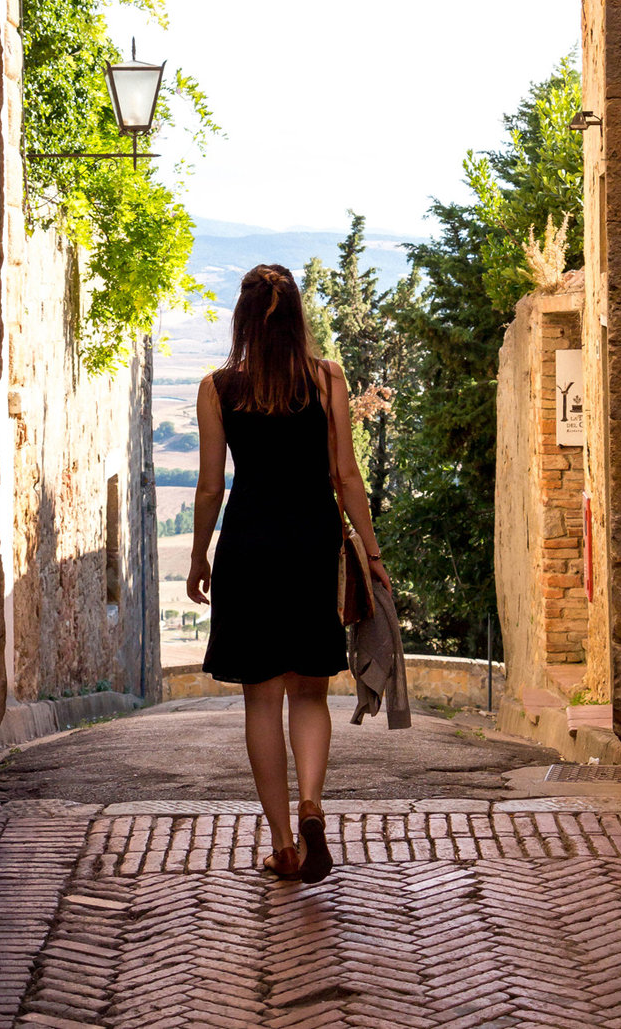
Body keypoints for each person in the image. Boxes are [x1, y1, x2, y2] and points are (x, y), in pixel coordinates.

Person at [186, 263, 391, 883]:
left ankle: (282, 844)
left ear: (243, 322)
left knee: (261, 698)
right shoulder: (328, 380)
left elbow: (209, 486)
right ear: (298, 317)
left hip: (249, 548)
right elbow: (346, 476)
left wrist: (199, 556)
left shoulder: (218, 388)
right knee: (309, 690)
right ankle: (311, 806)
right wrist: (374, 556)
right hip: (311, 545)